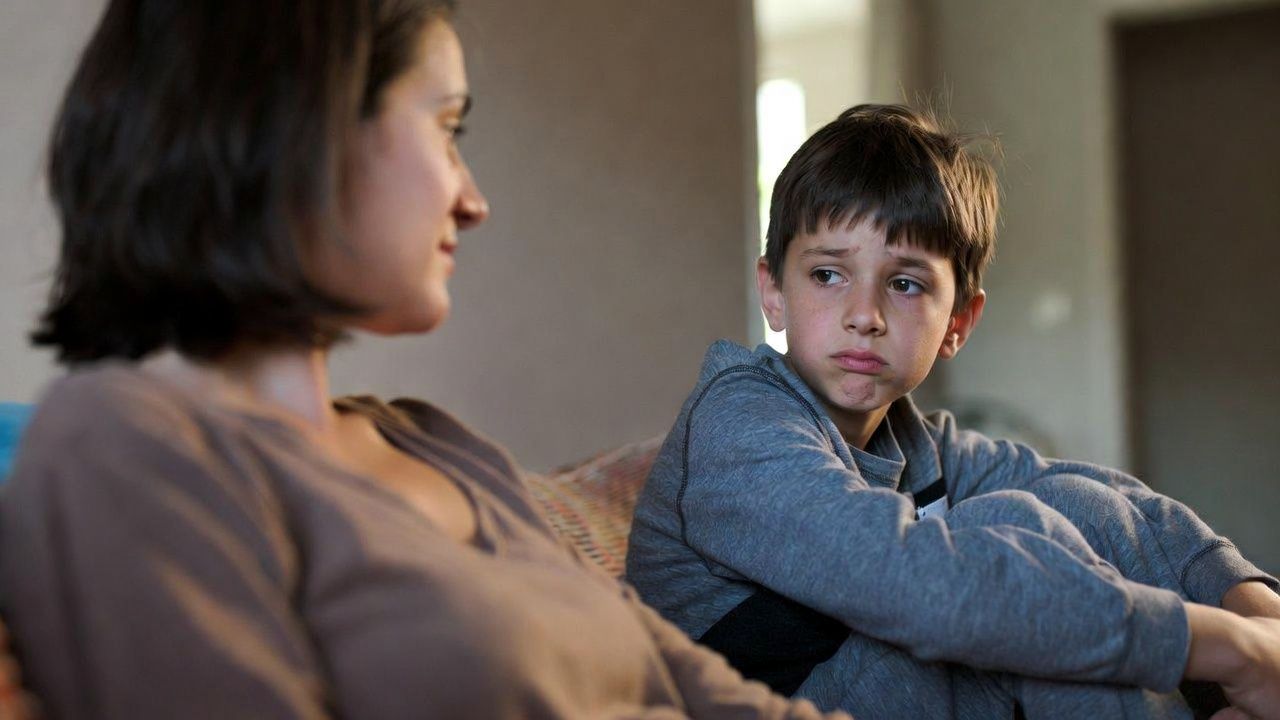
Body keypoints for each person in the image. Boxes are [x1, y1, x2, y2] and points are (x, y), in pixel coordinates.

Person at [0, 2, 849, 718]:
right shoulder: (122, 448)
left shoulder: (431, 440)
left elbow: (690, 682)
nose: (472, 200)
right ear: (299, 128)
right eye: (447, 128)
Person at [625, 104, 1280, 720]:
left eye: (905, 284)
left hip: (862, 689)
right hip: (784, 705)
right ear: (773, 293)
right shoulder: (739, 423)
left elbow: (1094, 497)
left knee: (1066, 502)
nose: (864, 315)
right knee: (1006, 541)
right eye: (827, 274)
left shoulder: (907, 440)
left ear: (958, 323)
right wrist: (1218, 645)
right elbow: (914, 585)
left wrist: (1249, 607)